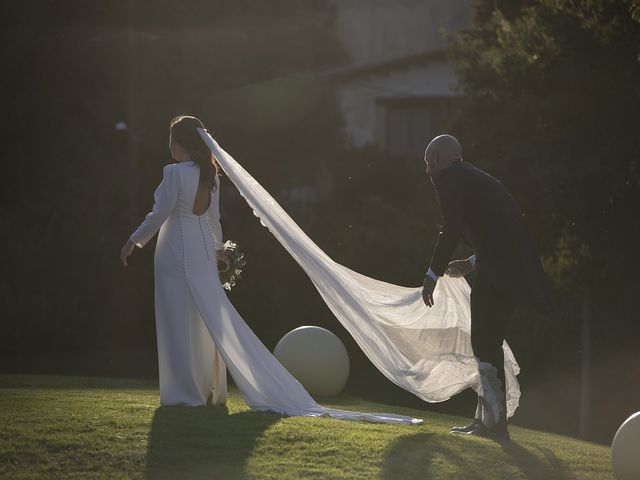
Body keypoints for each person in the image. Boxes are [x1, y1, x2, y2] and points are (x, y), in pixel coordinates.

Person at [119, 115, 421, 425]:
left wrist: (134, 241)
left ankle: (185, 393)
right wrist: (217, 250)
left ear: (181, 142)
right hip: (200, 254)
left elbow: (160, 214)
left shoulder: (174, 173)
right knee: (209, 321)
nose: (169, 144)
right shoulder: (211, 175)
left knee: (179, 320)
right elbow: (213, 220)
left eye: (171, 138)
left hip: (174, 251)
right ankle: (209, 391)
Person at [421, 134, 552, 439]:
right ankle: (488, 421)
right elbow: (498, 232)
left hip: (502, 271)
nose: (427, 171)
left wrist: (432, 274)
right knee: (486, 340)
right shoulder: (472, 178)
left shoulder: (450, 178)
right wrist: (470, 263)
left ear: (438, 159)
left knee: (483, 340)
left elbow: (451, 227)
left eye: (428, 163)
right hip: (506, 266)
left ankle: (493, 425)